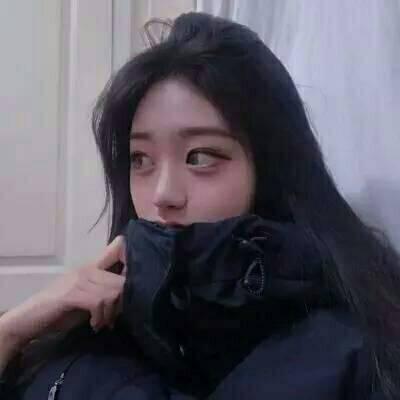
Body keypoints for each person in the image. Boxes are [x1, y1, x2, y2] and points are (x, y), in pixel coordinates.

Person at [0, 11, 399, 400]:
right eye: (140, 159)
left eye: (201, 157)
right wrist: (12, 331)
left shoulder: (354, 354)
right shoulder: (90, 326)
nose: (162, 194)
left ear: (271, 168)